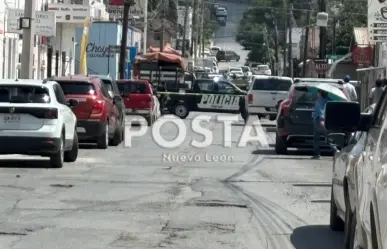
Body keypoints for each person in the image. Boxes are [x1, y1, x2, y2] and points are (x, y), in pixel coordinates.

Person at [312, 89, 330, 159]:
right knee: (329, 138)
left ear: (320, 93)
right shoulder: (330, 101)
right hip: (328, 121)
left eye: (318, 93)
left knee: (316, 138)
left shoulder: (318, 101)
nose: (317, 94)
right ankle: (336, 151)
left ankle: (317, 154)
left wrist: (321, 119)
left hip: (319, 121)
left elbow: (320, 110)